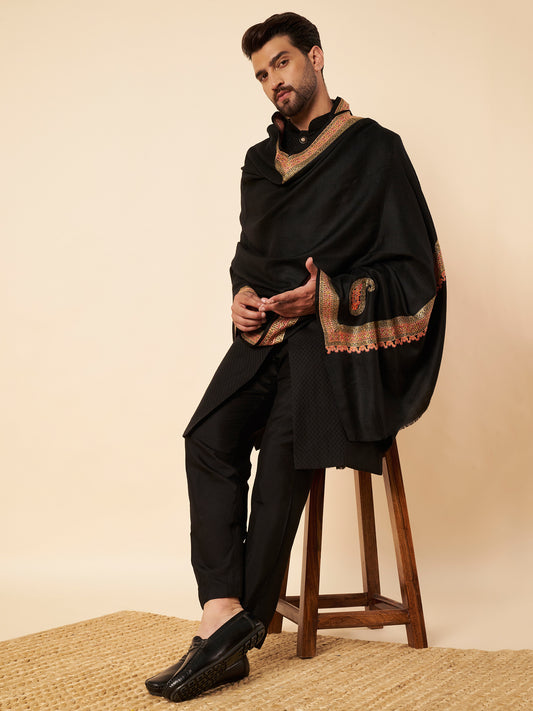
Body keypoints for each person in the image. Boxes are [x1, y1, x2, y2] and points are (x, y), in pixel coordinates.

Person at [145, 11, 446, 703]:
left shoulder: (375, 150)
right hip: (266, 339)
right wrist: (241, 297)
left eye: (281, 63)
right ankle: (224, 614)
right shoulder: (260, 162)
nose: (272, 81)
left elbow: (415, 271)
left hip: (333, 347)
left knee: (283, 461)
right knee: (207, 437)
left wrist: (328, 296)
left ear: (315, 57)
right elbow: (249, 255)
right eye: (260, 74)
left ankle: (226, 636)